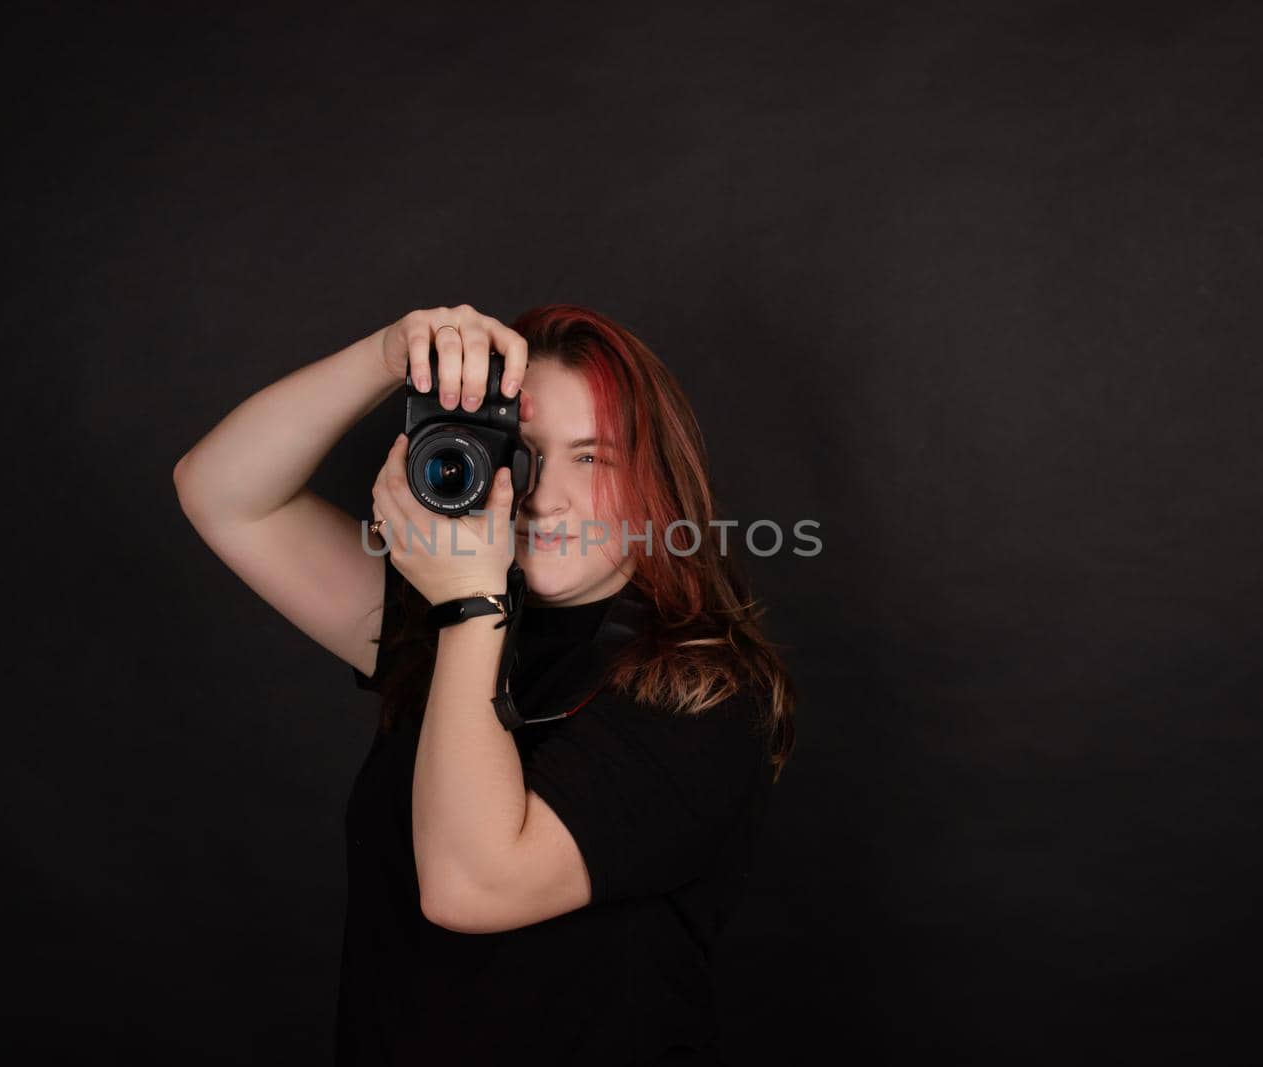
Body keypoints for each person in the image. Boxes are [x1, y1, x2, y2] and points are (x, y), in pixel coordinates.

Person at [173, 302, 797, 1065]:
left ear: (656, 484)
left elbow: (471, 886)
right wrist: (386, 353)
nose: (544, 495)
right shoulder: (448, 617)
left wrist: (471, 598)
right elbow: (225, 495)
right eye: (524, 451)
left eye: (594, 458)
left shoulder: (706, 694)